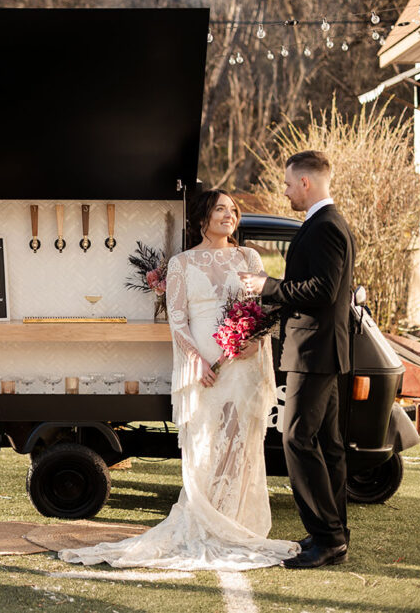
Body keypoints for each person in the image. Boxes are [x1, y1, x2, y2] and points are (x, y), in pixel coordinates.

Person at [59, 190, 298, 571]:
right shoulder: (183, 264)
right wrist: (196, 362)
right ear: (203, 217)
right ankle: (206, 519)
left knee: (240, 445)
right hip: (204, 368)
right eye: (220, 209)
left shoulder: (249, 258)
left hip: (243, 366)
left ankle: (233, 523)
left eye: (233, 210)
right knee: (206, 445)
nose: (229, 215)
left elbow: (263, 307)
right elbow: (178, 320)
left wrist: (257, 340)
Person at [239, 150, 356, 569]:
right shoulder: (326, 223)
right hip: (322, 348)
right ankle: (332, 531)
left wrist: (266, 286)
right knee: (328, 444)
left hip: (314, 351)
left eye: (288, 184)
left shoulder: (325, 227)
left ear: (306, 182)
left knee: (295, 438)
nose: (285, 191)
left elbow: (322, 290)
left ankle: (328, 539)